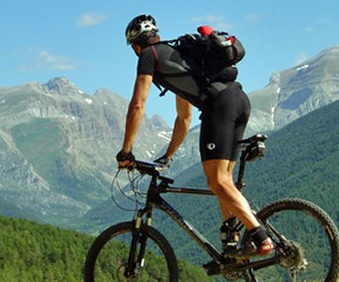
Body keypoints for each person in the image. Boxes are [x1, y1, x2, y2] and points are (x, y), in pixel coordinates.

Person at [116, 14, 272, 258]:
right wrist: (167, 156)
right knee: (225, 181)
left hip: (219, 107)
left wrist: (126, 151)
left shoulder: (149, 56)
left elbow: (138, 105)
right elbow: (183, 118)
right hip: (239, 101)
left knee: (216, 182)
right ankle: (232, 248)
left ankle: (260, 237)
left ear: (136, 46)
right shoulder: (177, 55)